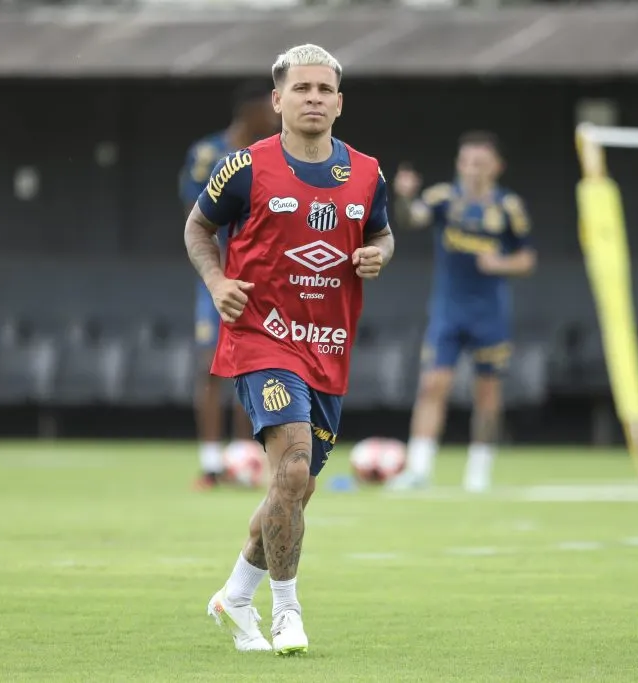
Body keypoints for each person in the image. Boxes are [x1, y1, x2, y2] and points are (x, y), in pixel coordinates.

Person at [183, 44, 394, 655]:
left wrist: (379, 253)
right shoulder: (244, 168)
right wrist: (219, 281)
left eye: (324, 90)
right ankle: (288, 614)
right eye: (301, 89)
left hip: (328, 346)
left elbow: (380, 231)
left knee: (291, 491)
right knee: (293, 466)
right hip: (263, 338)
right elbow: (198, 226)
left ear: (339, 103)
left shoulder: (366, 173)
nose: (313, 99)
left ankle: (235, 596)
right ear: (277, 100)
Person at [385, 131, 536, 493]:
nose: (472, 170)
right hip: (448, 312)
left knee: (487, 391)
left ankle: (478, 471)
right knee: (433, 384)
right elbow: (411, 219)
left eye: (480, 163)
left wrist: (499, 263)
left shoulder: (508, 208)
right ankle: (419, 468)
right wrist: (404, 196)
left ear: (496, 167)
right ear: (458, 164)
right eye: (467, 162)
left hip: (490, 314)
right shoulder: (443, 198)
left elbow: (527, 259)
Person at [178, 81, 279, 490]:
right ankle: (210, 462)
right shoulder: (208, 155)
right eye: (268, 108)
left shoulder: (277, 154)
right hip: (219, 278)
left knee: (253, 366)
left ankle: (247, 457)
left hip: (265, 280)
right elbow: (195, 218)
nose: (275, 116)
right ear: (249, 111)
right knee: (209, 364)